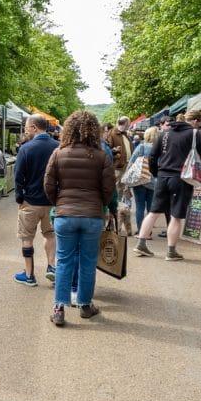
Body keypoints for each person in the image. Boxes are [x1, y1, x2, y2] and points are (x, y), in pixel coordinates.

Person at [44, 111, 116, 326]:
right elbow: (109, 188)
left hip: (65, 214)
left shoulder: (58, 153)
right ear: (94, 130)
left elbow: (48, 184)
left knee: (64, 260)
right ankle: (85, 305)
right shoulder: (102, 155)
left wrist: (59, 202)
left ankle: (59, 308)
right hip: (92, 215)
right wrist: (101, 205)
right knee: (88, 261)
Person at [134, 110, 201, 261]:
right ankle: (171, 252)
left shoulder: (164, 133)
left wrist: (156, 172)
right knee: (176, 216)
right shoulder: (193, 134)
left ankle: (141, 244)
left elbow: (152, 156)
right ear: (196, 121)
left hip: (163, 176)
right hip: (181, 178)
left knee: (153, 211)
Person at [13, 114, 59, 286]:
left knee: (27, 238)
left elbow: (18, 177)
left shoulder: (26, 148)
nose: (25, 129)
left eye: (26, 126)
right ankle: (51, 267)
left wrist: (19, 198)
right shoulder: (58, 147)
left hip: (30, 202)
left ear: (34, 127)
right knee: (50, 235)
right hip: (52, 202)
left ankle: (29, 275)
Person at [128, 126, 159, 234]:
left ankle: (141, 231)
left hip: (139, 179)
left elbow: (131, 163)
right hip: (153, 181)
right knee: (150, 207)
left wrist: (127, 179)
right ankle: (148, 231)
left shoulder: (141, 147)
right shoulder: (159, 149)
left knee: (140, 206)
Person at [107, 116, 134, 235]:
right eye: (128, 124)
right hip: (118, 167)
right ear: (125, 123)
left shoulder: (125, 134)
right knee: (117, 191)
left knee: (124, 191)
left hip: (126, 166)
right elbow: (108, 150)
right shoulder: (113, 133)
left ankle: (121, 215)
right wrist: (116, 154)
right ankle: (115, 218)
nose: (129, 126)